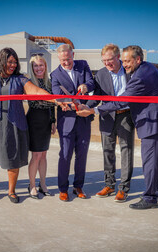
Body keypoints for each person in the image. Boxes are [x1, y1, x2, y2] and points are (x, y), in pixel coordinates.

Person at [77, 45, 158, 209]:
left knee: (147, 160)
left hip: (146, 120)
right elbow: (98, 93)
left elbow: (123, 100)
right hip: (135, 119)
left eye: (127, 61)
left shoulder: (139, 75)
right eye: (104, 61)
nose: (125, 64)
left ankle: (147, 196)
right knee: (152, 160)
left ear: (137, 59)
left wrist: (93, 110)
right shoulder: (144, 68)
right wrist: (86, 104)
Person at [0, 47, 53, 204]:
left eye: (15, 62)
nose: (13, 65)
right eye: (10, 62)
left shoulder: (20, 79)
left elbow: (36, 91)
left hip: (14, 125)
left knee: (13, 160)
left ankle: (11, 191)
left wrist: (56, 99)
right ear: (1, 61)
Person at [86, 44, 135, 202]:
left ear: (118, 57)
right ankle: (109, 184)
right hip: (107, 116)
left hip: (126, 116)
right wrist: (85, 106)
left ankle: (124, 188)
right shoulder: (100, 74)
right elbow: (97, 97)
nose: (107, 63)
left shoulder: (130, 71)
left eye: (110, 60)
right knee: (108, 151)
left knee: (126, 151)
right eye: (104, 60)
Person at [51, 44, 95, 202]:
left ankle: (78, 186)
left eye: (68, 59)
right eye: (63, 60)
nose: (66, 62)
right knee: (65, 155)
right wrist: (71, 104)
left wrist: (86, 86)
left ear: (73, 55)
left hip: (84, 119)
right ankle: (63, 188)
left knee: (82, 155)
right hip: (66, 121)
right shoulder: (55, 74)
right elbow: (57, 96)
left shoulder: (83, 65)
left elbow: (92, 83)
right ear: (58, 58)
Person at [26, 54, 56, 199]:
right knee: (36, 155)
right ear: (32, 68)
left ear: (45, 66)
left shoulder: (49, 83)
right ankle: (32, 185)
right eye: (36, 66)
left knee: (44, 155)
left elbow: (53, 105)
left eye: (41, 65)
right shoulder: (29, 83)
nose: (39, 68)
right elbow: (36, 102)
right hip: (34, 120)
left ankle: (42, 184)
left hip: (46, 121)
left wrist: (53, 121)